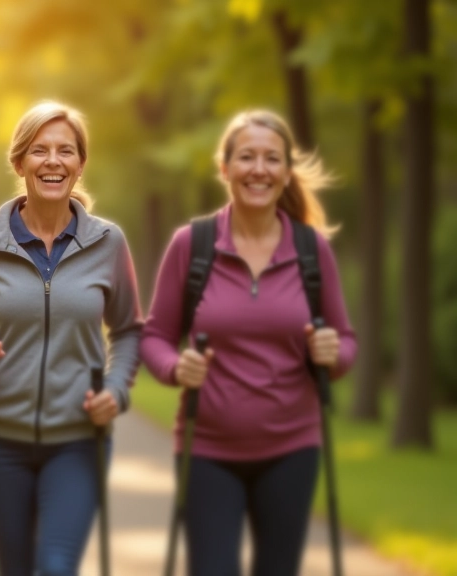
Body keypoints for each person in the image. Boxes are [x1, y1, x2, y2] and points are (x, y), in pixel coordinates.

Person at [140, 109, 358, 576]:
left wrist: (333, 354)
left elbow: (346, 341)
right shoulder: (191, 244)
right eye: (246, 157)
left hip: (292, 450)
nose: (259, 169)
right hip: (206, 450)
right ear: (225, 168)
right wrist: (177, 368)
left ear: (285, 173)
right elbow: (155, 335)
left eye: (272, 159)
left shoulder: (310, 249)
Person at [0, 101, 143, 576]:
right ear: (19, 162)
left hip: (78, 442)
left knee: (55, 567)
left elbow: (129, 331)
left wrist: (117, 388)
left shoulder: (107, 243)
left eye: (65, 151)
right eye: (39, 150)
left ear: (80, 164)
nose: (53, 161)